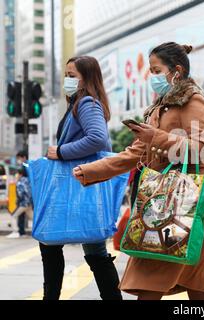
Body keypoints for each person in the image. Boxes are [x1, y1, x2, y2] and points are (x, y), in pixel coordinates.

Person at [73, 43, 204, 301]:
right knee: (196, 275)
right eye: (150, 70)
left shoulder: (194, 101)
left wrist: (158, 137)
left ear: (177, 71)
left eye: (156, 70)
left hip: (186, 196)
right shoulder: (160, 107)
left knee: (154, 267)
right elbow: (134, 153)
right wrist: (90, 171)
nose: (152, 77)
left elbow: (202, 150)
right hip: (165, 195)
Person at [41, 56, 122, 300]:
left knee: (50, 242)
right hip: (83, 189)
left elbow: (98, 139)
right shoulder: (81, 103)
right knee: (95, 251)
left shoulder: (86, 103)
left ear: (87, 78)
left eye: (72, 75)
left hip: (77, 188)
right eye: (66, 75)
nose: (67, 80)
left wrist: (62, 151)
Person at [6, 168, 33, 239]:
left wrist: (18, 201)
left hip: (23, 203)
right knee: (33, 218)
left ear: (20, 174)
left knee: (13, 216)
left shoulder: (20, 182)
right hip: (29, 203)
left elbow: (20, 193)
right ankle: (41, 229)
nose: (16, 175)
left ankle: (15, 232)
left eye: (17, 174)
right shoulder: (29, 180)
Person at [15, 151, 29, 236]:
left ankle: (20, 231)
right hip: (28, 198)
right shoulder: (27, 166)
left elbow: (22, 189)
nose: (18, 160)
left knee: (18, 215)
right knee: (30, 215)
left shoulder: (25, 166)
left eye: (19, 158)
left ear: (23, 157)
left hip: (24, 199)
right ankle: (21, 231)